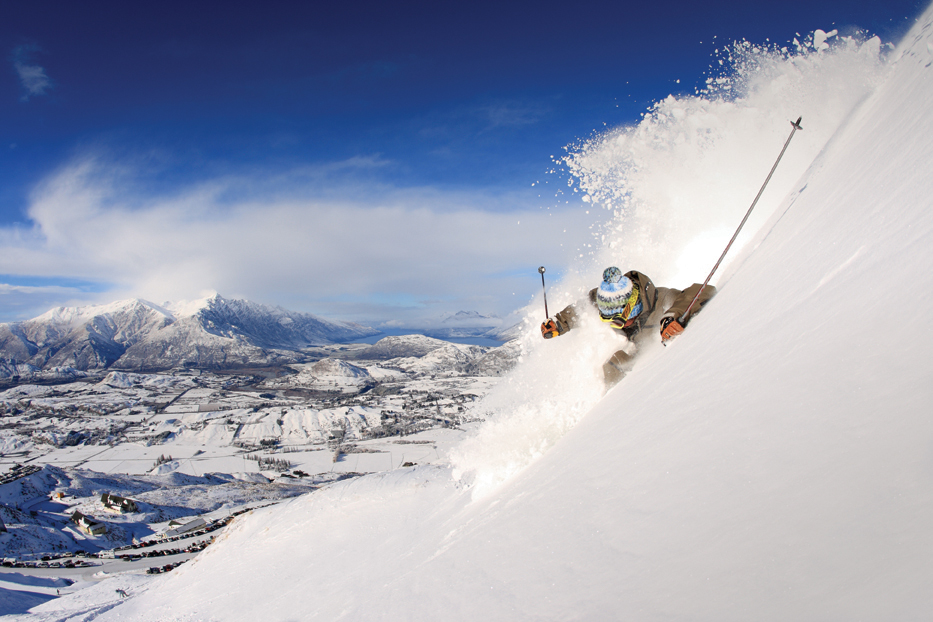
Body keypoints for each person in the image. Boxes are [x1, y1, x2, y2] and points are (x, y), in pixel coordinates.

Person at [540, 267, 715, 387]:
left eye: (617, 320)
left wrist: (672, 317)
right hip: (637, 352)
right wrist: (558, 323)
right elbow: (582, 309)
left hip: (661, 363)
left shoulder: (661, 300)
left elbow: (700, 292)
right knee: (612, 364)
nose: (614, 325)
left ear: (632, 307)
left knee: (620, 364)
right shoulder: (607, 300)